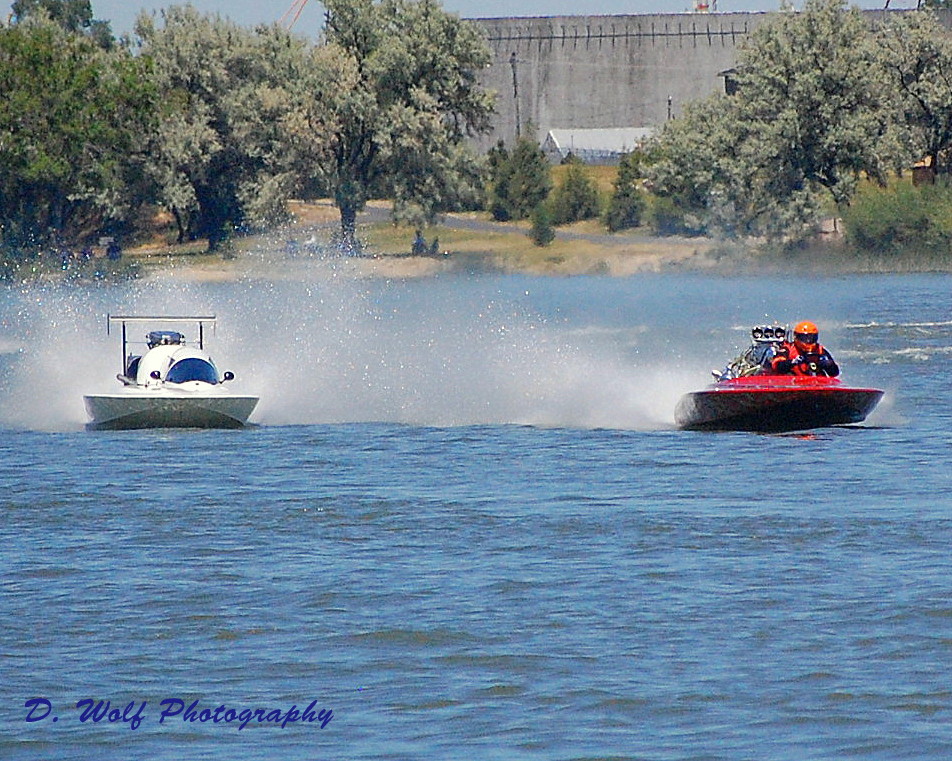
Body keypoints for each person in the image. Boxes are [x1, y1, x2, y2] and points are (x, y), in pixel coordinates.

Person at [770, 320, 839, 377]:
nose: (808, 341)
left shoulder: (820, 350)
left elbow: (835, 373)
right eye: (805, 338)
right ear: (796, 337)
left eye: (811, 338)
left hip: (816, 383)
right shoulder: (788, 348)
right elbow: (777, 366)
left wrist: (828, 365)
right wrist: (793, 362)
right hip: (793, 383)